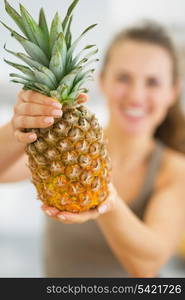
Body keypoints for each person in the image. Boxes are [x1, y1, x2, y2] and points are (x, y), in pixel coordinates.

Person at [1, 21, 185, 278]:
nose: (136, 95)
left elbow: (147, 266)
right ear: (102, 80)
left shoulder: (176, 170)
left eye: (153, 82)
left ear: (172, 92)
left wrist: (106, 201)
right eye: (124, 77)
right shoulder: (62, 145)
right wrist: (18, 125)